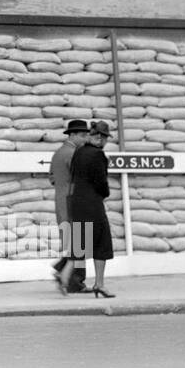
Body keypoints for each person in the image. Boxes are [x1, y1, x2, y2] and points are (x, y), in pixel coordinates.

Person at [59, 120, 116, 297]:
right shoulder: (98, 155)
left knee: (79, 243)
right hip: (92, 204)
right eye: (105, 138)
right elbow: (101, 182)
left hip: (76, 203)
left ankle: (65, 276)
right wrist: (105, 193)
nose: (105, 142)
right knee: (102, 242)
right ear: (100, 137)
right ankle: (99, 284)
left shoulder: (79, 152)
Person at [50, 119, 91, 292]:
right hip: (73, 200)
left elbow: (52, 178)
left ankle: (65, 272)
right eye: (82, 136)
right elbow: (81, 179)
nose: (85, 139)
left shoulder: (58, 153)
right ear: (72, 135)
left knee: (73, 239)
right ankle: (73, 280)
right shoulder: (73, 154)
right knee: (81, 239)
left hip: (60, 199)